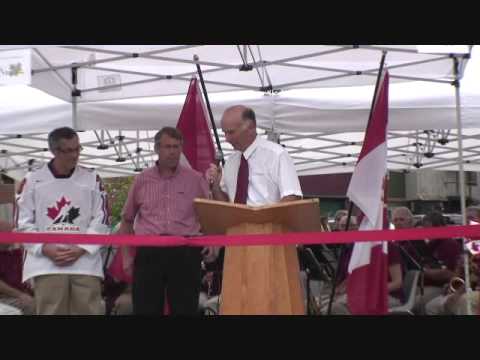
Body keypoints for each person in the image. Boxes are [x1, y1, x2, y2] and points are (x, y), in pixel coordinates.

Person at [118, 127, 214, 315]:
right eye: (168, 146)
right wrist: (127, 256)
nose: (173, 152)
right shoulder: (142, 180)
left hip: (186, 252)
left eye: (177, 147)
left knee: (185, 309)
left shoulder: (195, 179)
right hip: (149, 253)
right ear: (156, 149)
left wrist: (211, 241)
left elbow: (209, 213)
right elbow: (127, 219)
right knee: (146, 309)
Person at [16, 127, 110, 315]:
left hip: (85, 262)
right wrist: (44, 247)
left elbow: (102, 218)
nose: (75, 155)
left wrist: (81, 248)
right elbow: (23, 222)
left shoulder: (92, 178)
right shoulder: (32, 180)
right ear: (54, 151)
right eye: (68, 150)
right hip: (45, 263)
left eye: (77, 149)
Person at [206, 105, 302, 205]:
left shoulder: (276, 155)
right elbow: (226, 206)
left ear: (251, 127)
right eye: (224, 133)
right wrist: (216, 187)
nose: (227, 139)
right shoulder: (231, 161)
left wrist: (263, 217)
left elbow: (292, 197)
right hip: (236, 220)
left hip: (270, 220)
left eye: (231, 132)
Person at [327, 215, 404, 314]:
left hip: (388, 295)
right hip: (364, 294)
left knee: (336, 308)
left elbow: (397, 282)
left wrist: (370, 291)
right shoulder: (362, 248)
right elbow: (355, 276)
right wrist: (341, 288)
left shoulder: (390, 248)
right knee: (325, 304)